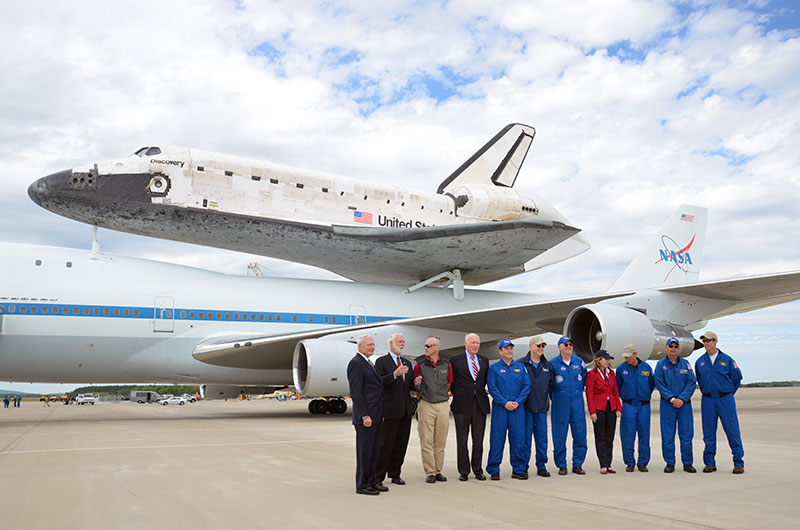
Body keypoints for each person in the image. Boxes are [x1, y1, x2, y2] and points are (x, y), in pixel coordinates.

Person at [694, 331, 744, 474]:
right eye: (703, 341)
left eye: (708, 341)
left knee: (732, 430)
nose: (706, 343)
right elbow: (699, 380)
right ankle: (710, 463)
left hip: (725, 399)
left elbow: (736, 379)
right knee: (708, 433)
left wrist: (726, 393)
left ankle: (738, 463)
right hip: (708, 400)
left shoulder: (727, 360)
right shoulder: (700, 362)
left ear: (715, 342)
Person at [374, 333, 415, 487]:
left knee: (401, 445)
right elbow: (379, 382)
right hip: (389, 411)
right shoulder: (381, 362)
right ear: (391, 343)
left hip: (405, 411)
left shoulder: (407, 363)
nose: (402, 344)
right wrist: (394, 374)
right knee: (385, 445)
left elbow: (408, 386)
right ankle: (378, 477)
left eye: (404, 342)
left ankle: (395, 474)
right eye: (399, 341)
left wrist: (415, 383)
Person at [346, 335, 386, 495]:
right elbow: (356, 393)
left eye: (373, 345)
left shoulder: (369, 363)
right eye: (369, 345)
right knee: (365, 452)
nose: (372, 347)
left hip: (376, 414)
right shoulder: (356, 363)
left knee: (375, 451)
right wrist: (364, 415)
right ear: (360, 346)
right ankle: (363, 484)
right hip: (366, 417)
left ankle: (373, 481)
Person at [486, 339, 530, 480]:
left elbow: (526, 386)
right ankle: (494, 469)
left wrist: (517, 402)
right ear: (500, 351)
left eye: (511, 348)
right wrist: (504, 403)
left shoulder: (520, 367)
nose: (509, 350)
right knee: (497, 439)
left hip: (517, 409)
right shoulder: (494, 369)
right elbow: (492, 388)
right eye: (506, 348)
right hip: (501, 409)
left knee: (518, 439)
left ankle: (518, 469)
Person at [449, 332, 490, 481]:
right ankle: (464, 471)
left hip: (479, 404)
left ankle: (478, 469)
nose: (475, 345)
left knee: (478, 439)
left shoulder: (484, 360)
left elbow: (484, 381)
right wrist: (460, 394)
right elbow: (452, 382)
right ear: (466, 344)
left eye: (477, 343)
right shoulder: (455, 360)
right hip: (461, 404)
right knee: (462, 439)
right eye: (472, 342)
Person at [654, 337, 697, 473]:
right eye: (670, 346)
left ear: (678, 349)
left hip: (684, 405)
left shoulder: (686, 364)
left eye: (675, 346)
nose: (673, 348)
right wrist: (672, 399)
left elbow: (691, 383)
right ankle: (670, 463)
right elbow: (660, 383)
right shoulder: (661, 365)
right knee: (668, 435)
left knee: (686, 435)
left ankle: (687, 463)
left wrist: (682, 399)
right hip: (668, 405)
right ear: (666, 348)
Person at [413, 337, 450, 483]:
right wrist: (422, 396)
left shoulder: (446, 364)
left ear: (437, 347)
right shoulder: (419, 365)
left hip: (442, 404)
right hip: (426, 404)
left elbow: (449, 384)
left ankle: (438, 470)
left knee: (440, 440)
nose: (425, 348)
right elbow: (416, 387)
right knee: (426, 439)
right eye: (425, 345)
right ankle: (430, 472)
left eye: (428, 346)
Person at [550, 336, 588, 475]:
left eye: (570, 344)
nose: (568, 346)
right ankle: (561, 465)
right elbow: (549, 385)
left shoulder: (579, 362)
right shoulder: (553, 363)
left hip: (577, 401)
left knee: (580, 433)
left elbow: (583, 379)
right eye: (565, 344)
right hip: (560, 402)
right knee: (559, 434)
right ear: (559, 347)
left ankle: (578, 464)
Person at [615, 344, 655, 472]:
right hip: (628, 405)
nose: (626, 359)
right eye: (625, 357)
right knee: (628, 435)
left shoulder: (646, 368)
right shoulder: (621, 369)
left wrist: (644, 395)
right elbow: (618, 386)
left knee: (644, 434)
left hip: (644, 405)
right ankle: (630, 462)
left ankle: (642, 462)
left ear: (635, 354)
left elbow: (651, 385)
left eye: (628, 356)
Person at [519, 336, 554, 477]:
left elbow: (551, 385)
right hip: (527, 409)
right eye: (538, 346)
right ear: (531, 347)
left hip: (541, 409)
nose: (541, 349)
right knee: (525, 440)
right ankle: (523, 466)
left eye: (542, 346)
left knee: (542, 440)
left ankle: (541, 466)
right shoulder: (521, 364)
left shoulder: (547, 366)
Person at [585, 350, 622, 474]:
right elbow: (589, 394)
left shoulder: (611, 373)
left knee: (609, 437)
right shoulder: (592, 374)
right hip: (599, 408)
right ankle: (603, 464)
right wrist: (592, 411)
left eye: (609, 359)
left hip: (610, 407)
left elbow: (615, 391)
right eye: (605, 359)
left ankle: (609, 463)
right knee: (600, 436)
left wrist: (618, 407)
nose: (608, 361)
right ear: (598, 360)